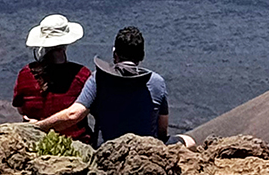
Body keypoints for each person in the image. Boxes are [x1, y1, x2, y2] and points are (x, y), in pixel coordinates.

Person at [31, 26, 176, 146]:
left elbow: (73, 115)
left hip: (107, 153)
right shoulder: (157, 82)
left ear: (115, 54)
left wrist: (37, 127)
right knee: (189, 138)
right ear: (142, 55)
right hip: (146, 152)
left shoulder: (99, 78)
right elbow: (162, 129)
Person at [13, 14, 92, 143]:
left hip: (34, 142)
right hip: (76, 143)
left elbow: (21, 108)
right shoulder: (81, 75)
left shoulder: (25, 74)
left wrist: (36, 126)